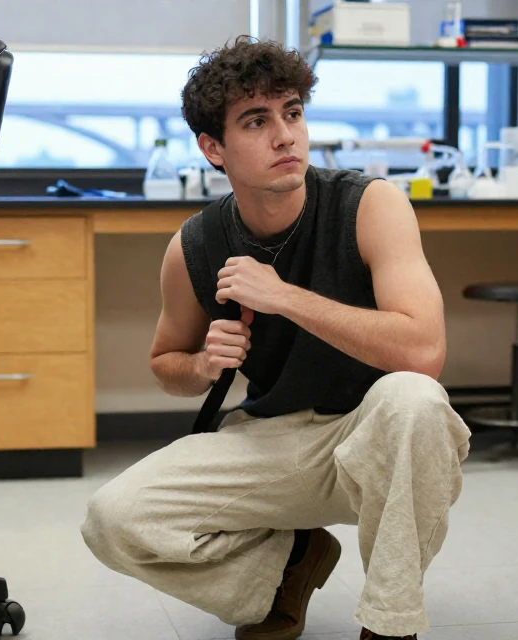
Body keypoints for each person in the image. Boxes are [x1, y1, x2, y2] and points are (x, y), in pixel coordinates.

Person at [81, 36, 472, 640]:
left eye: (292, 113)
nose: (285, 135)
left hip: (374, 436)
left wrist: (283, 296)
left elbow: (424, 353)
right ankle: (287, 567)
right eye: (256, 121)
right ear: (214, 147)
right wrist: (204, 365)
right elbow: (165, 364)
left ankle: (391, 626)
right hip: (271, 439)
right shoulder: (194, 245)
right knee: (112, 520)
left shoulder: (370, 206)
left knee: (415, 401)